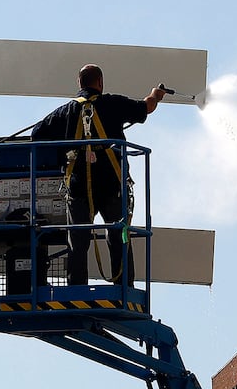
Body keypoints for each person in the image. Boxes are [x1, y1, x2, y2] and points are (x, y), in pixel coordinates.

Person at [31, 63, 164, 287]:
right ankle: (123, 286)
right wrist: (156, 94)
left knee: (78, 239)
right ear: (100, 82)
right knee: (118, 235)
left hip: (78, 186)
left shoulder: (67, 111)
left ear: (79, 84)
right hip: (111, 184)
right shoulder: (112, 103)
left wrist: (61, 149)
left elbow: (37, 133)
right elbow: (146, 108)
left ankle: (76, 288)